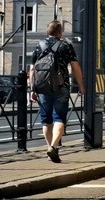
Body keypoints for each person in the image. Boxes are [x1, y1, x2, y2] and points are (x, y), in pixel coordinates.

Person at [28, 20, 85, 163]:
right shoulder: (65, 45)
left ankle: (49, 148)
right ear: (60, 32)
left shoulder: (39, 46)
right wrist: (81, 86)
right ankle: (53, 147)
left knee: (46, 121)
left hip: (42, 88)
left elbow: (32, 69)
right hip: (62, 86)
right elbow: (75, 66)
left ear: (48, 32)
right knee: (59, 118)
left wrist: (32, 89)